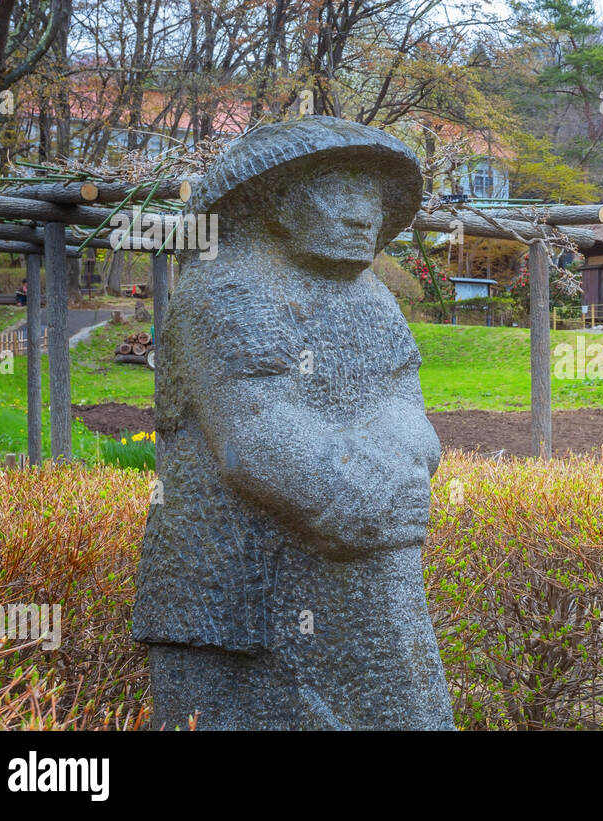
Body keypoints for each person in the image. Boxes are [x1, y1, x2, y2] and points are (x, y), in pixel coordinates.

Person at [132, 117, 453, 730]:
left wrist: (401, 468)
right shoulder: (226, 291)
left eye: (374, 200)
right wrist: (355, 497)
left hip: (357, 555)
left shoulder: (373, 301)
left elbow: (402, 404)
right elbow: (254, 433)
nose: (365, 217)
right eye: (340, 194)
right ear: (277, 200)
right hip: (229, 575)